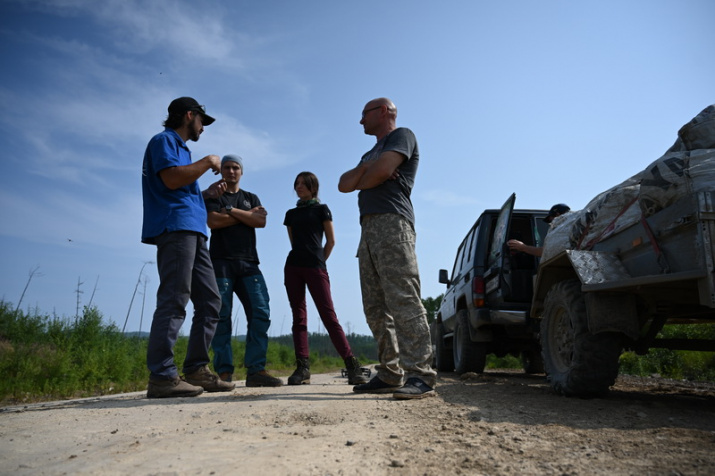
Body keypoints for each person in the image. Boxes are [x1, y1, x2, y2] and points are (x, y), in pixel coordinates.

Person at [338, 97, 437, 400]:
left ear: (382, 111)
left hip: (393, 224)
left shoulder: (402, 135)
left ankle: (421, 374)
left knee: (402, 298)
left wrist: (368, 175)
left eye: (364, 114)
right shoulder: (370, 152)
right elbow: (344, 184)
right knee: (375, 307)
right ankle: (390, 373)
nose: (360, 121)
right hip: (367, 230)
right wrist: (370, 169)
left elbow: (380, 173)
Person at [141, 96, 235, 398]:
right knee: (174, 298)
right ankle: (162, 376)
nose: (202, 128)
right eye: (201, 122)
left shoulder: (182, 150)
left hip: (195, 231)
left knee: (210, 302)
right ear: (189, 116)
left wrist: (204, 192)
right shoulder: (164, 141)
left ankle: (196, 370)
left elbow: (181, 184)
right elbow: (170, 180)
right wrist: (208, 162)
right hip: (176, 228)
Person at [283, 172, 369, 386]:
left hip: (315, 267)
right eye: (297, 183)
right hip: (293, 267)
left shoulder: (322, 209)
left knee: (329, 316)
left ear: (313, 187)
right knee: (298, 317)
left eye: (303, 183)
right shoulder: (290, 214)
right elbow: (294, 242)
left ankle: (351, 365)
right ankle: (302, 368)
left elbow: (330, 241)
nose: (299, 186)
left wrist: (320, 261)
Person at [204, 154, 283, 387]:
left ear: (241, 171)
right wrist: (245, 216)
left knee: (260, 313)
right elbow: (213, 222)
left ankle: (256, 371)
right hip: (220, 263)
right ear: (221, 171)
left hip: (249, 264)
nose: (231, 171)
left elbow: (261, 222)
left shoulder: (250, 197)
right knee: (221, 317)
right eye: (227, 167)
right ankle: (224, 373)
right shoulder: (213, 195)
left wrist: (230, 210)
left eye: (235, 167)